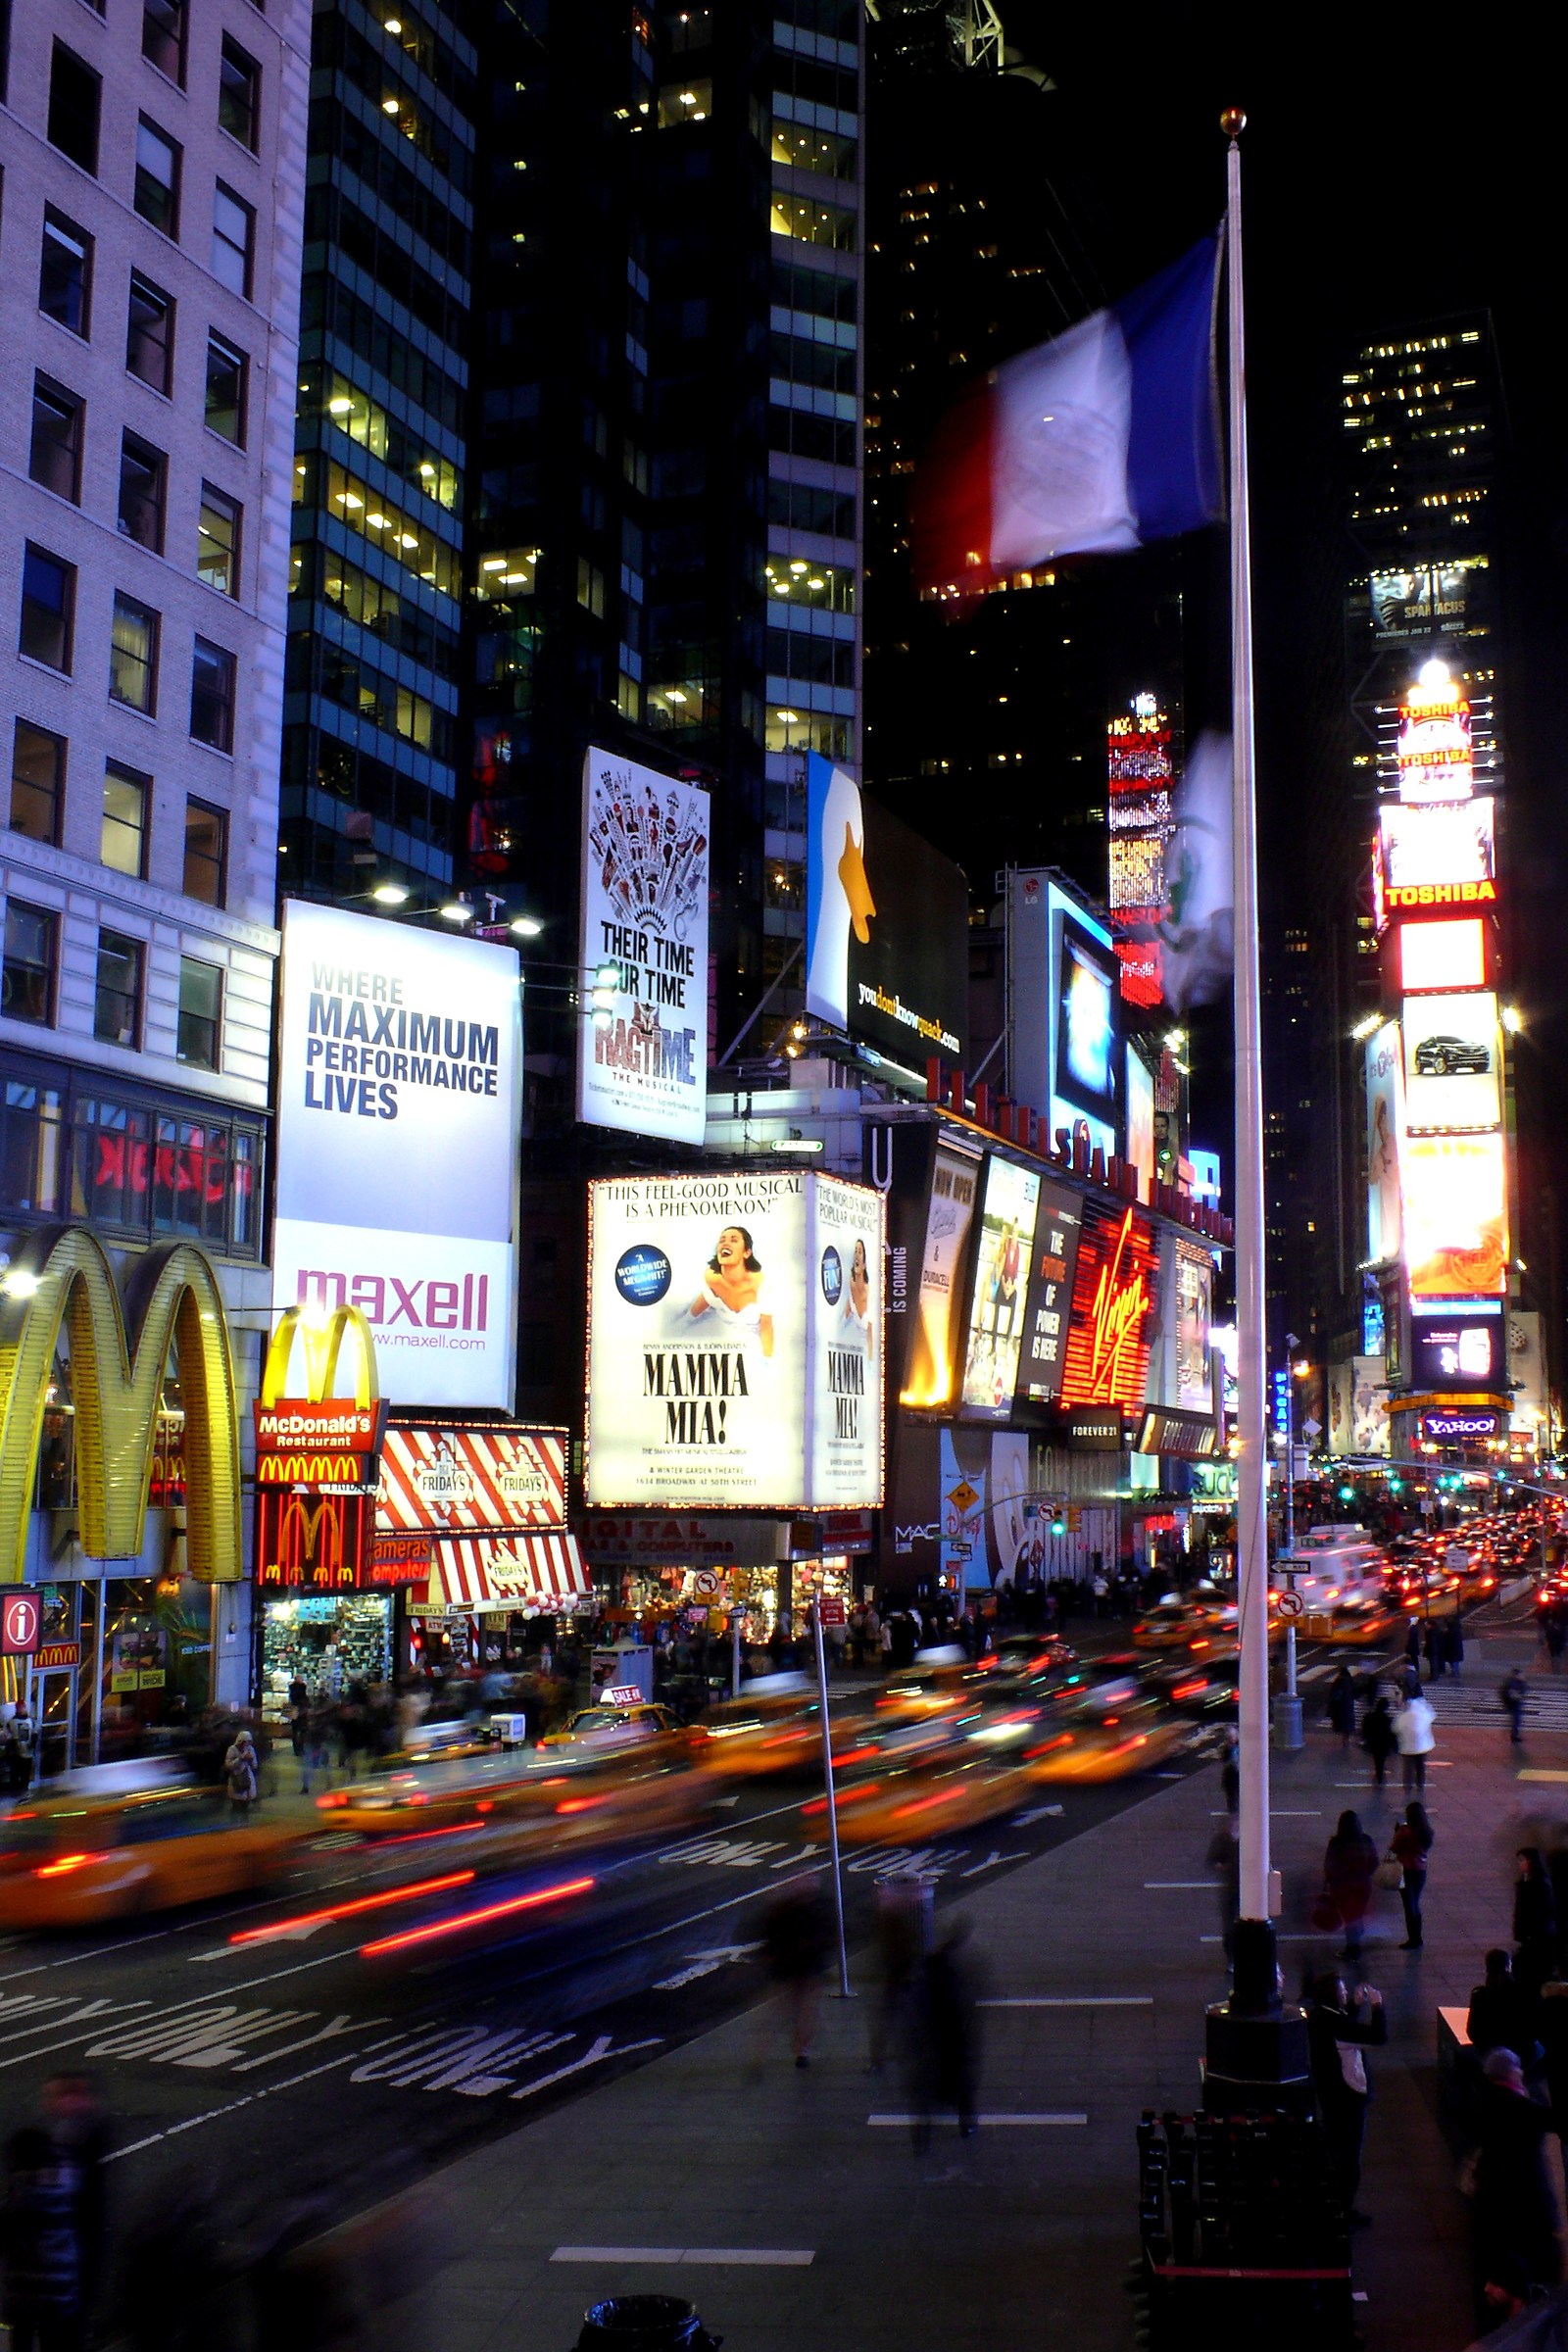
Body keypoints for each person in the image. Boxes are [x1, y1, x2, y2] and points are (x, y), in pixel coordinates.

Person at [1471, 2047, 1562, 2315]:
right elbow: (1550, 2119)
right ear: (1508, 2073)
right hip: (1520, 2199)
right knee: (1528, 2267)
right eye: (1517, 2068)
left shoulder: (1488, 2098)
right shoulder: (1515, 2105)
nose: (1521, 2072)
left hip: (1496, 2196)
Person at [1305, 1970, 1386, 2225]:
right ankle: (1344, 2210)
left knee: (1334, 2148)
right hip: (1348, 2097)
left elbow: (1344, 2026)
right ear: (1333, 1995)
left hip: (1330, 2095)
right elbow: (1376, 2037)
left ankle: (1330, 2203)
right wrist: (1377, 2006)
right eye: (1342, 1992)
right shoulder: (1337, 2025)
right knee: (1349, 2157)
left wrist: (1354, 2005)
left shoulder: (1318, 2017)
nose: (1344, 1994)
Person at [0, 2125, 82, 2352]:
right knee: (52, 2338)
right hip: (58, 2286)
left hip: (25, 2289)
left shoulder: (22, 2198)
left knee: (22, 2336)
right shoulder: (64, 2187)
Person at [908, 1919, 983, 2148]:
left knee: (932, 2084)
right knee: (961, 2082)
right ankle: (967, 2123)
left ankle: (925, 2129)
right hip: (953, 2037)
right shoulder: (955, 1972)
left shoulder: (931, 1967)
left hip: (934, 2037)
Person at [756, 1877, 832, 2069]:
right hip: (807, 1966)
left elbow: (769, 1938)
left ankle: (763, 2054)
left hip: (788, 1967)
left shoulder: (781, 1910)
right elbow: (825, 1937)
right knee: (807, 2009)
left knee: (787, 2009)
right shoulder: (817, 1910)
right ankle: (801, 2048)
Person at [1323, 1810, 1379, 1965]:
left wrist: (1328, 1883)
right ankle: (1356, 1941)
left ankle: (1353, 1950)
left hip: (1343, 1887)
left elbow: (1329, 1865)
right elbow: (1374, 1862)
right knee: (1356, 1916)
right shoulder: (1366, 1840)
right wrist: (1365, 1874)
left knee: (1349, 1918)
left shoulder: (1336, 1843)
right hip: (1362, 1886)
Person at [1469, 1950, 1540, 2067]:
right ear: (1508, 1967)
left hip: (1489, 2053)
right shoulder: (1525, 1994)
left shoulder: (1479, 1995)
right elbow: (1533, 2029)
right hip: (1522, 2054)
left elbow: (1472, 2031)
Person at [1514, 1848, 1558, 1998]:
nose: (1520, 1864)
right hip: (1528, 1935)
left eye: (1522, 1860)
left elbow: (1544, 1911)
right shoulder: (1525, 1881)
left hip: (1537, 1937)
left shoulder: (1540, 1884)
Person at [1392, 1801, 1435, 1949]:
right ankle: (1418, 1937)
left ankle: (1413, 1939)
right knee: (1415, 1903)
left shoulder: (1406, 1831)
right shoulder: (1427, 1832)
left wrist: (1396, 1832)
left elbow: (1394, 1848)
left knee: (1409, 1906)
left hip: (1406, 1870)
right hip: (1421, 1870)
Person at [1206, 1814, 1241, 1971]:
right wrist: (1219, 1865)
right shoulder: (1223, 1840)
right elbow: (1212, 1860)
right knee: (1230, 1925)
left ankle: (1238, 1957)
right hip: (1231, 1889)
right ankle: (1232, 1958)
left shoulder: (1247, 1839)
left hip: (1242, 1889)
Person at [1394, 1684, 1436, 1794]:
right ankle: (1420, 1784)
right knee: (1420, 1766)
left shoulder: (1404, 1716)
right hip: (1423, 1745)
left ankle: (1407, 1786)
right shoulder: (1422, 1710)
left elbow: (1396, 1728)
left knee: (1408, 1768)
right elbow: (1431, 1715)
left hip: (1407, 1747)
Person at [1360, 1690, 1397, 1792]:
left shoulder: (1370, 1717)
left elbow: (1365, 1730)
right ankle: (1380, 1777)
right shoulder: (1387, 1719)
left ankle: (1379, 1775)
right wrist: (1395, 1746)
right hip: (1383, 1744)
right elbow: (1392, 1734)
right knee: (1380, 1761)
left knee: (1377, 1760)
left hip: (1373, 1742)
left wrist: (1364, 1739)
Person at [223, 1729, 259, 1821]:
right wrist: (241, 1758)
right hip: (236, 1779)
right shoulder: (232, 1749)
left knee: (245, 1806)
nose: (247, 1744)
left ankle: (244, 1824)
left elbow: (254, 1765)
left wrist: (251, 1759)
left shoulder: (251, 1749)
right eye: (245, 1741)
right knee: (236, 1805)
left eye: (249, 1742)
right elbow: (228, 1765)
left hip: (247, 1779)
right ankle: (234, 1824)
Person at [1327, 1664, 1358, 1751]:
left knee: (1342, 1723)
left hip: (1340, 1706)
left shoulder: (1337, 1682)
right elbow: (1355, 1693)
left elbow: (1332, 1694)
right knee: (1348, 1723)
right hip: (1348, 1705)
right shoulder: (1350, 1681)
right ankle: (1346, 1739)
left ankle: (1344, 1740)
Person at [1502, 1668, 1530, 1745]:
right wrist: (1518, 1696)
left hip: (1515, 1704)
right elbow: (1513, 1694)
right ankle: (1514, 1736)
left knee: (1516, 1720)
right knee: (1516, 1720)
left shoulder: (1518, 1682)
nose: (1523, 1676)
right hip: (1515, 1704)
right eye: (1521, 1674)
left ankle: (1515, 1735)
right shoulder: (1513, 1683)